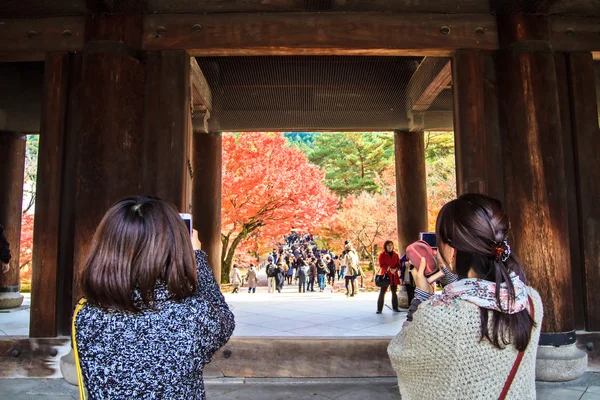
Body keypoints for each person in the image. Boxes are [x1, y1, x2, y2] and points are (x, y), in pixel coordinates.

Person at [73, 196, 235, 400]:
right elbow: (224, 318)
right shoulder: (192, 316)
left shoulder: (84, 315)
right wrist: (198, 260)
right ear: (175, 248)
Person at [388, 193, 543, 400]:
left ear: (451, 250)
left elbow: (401, 351)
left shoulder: (440, 318)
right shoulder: (531, 301)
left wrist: (422, 296)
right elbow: (480, 294)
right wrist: (452, 278)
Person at [376, 240, 401, 314]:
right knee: (382, 292)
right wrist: (389, 269)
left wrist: (395, 269)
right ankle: (379, 309)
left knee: (394, 292)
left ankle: (395, 307)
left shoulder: (395, 255)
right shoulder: (382, 255)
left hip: (394, 275)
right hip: (386, 275)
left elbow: (398, 264)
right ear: (385, 246)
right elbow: (382, 265)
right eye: (388, 245)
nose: (390, 247)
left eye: (391, 245)